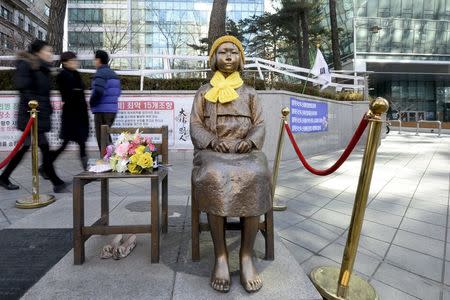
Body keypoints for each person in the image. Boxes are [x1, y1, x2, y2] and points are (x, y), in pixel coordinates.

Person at [190, 35, 272, 293]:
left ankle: (246, 256)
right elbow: (194, 124)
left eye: (233, 52)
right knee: (214, 175)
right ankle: (221, 256)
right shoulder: (204, 92)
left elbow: (259, 124)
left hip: (246, 151)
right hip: (213, 152)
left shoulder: (250, 93)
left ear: (241, 59)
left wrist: (249, 141)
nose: (228, 56)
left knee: (257, 174)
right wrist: (213, 141)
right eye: (222, 52)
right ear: (213, 58)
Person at [0, 40, 67, 192]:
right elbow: (23, 88)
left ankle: (4, 177)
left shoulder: (43, 68)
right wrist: (35, 108)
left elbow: (43, 92)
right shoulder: (27, 65)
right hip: (31, 115)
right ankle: (55, 181)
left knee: (29, 147)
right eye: (47, 51)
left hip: (38, 115)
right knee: (42, 147)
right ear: (38, 52)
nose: (50, 54)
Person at [50, 51, 89, 170]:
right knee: (68, 144)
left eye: (75, 60)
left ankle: (45, 166)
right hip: (71, 116)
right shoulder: (64, 75)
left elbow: (78, 92)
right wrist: (76, 91)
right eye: (72, 61)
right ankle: (46, 166)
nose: (75, 63)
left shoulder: (75, 73)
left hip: (79, 115)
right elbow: (68, 95)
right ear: (65, 63)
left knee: (80, 143)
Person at [89, 50, 121, 152]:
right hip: (112, 111)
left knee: (102, 137)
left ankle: (107, 161)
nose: (94, 62)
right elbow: (118, 92)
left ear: (99, 60)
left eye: (95, 59)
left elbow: (98, 91)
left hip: (101, 110)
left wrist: (92, 103)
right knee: (106, 135)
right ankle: (113, 158)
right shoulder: (114, 74)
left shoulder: (100, 73)